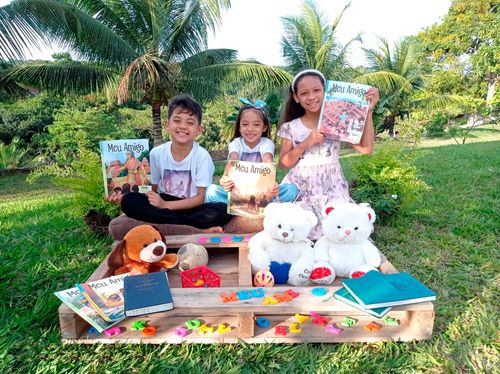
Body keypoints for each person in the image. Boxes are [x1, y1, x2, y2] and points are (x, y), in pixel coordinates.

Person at [278, 69, 379, 240]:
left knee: (340, 228)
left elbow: (366, 149)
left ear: (326, 91)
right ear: (296, 97)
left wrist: (368, 112)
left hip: (332, 186)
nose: (311, 97)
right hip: (302, 186)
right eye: (304, 93)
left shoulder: (336, 121)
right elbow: (283, 163)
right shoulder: (291, 127)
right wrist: (306, 143)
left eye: (317, 90)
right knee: (299, 229)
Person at [107, 94, 232, 233]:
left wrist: (166, 205)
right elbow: (151, 190)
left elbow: (200, 198)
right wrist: (124, 197)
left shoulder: (202, 156)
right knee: (129, 201)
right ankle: (196, 228)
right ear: (167, 125)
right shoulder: (156, 153)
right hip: (163, 201)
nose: (183, 126)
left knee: (223, 210)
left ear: (199, 130)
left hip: (191, 206)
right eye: (177, 120)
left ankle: (172, 225)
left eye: (190, 123)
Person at [204, 98, 299, 204]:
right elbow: (233, 160)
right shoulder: (236, 143)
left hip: (261, 192)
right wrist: (225, 179)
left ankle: (261, 204)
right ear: (239, 127)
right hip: (238, 192)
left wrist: (272, 184)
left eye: (256, 124)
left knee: (291, 190)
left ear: (264, 127)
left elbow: (267, 162)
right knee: (211, 191)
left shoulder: (266, 143)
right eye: (245, 124)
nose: (250, 129)